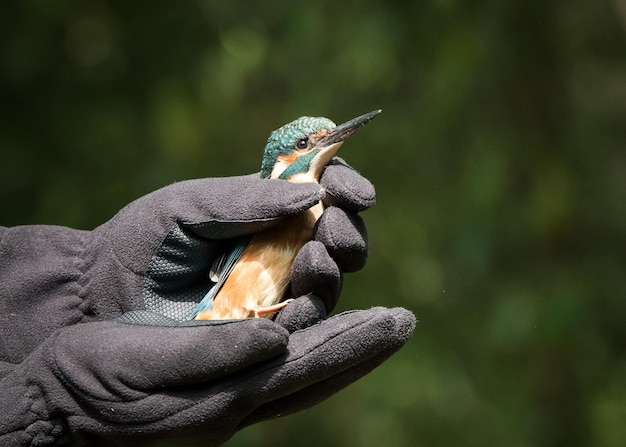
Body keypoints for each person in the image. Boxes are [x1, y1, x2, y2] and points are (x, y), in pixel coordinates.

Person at [0, 160, 415, 446]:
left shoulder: (300, 208)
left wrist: (87, 283)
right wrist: (39, 409)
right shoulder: (286, 207)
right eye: (310, 142)